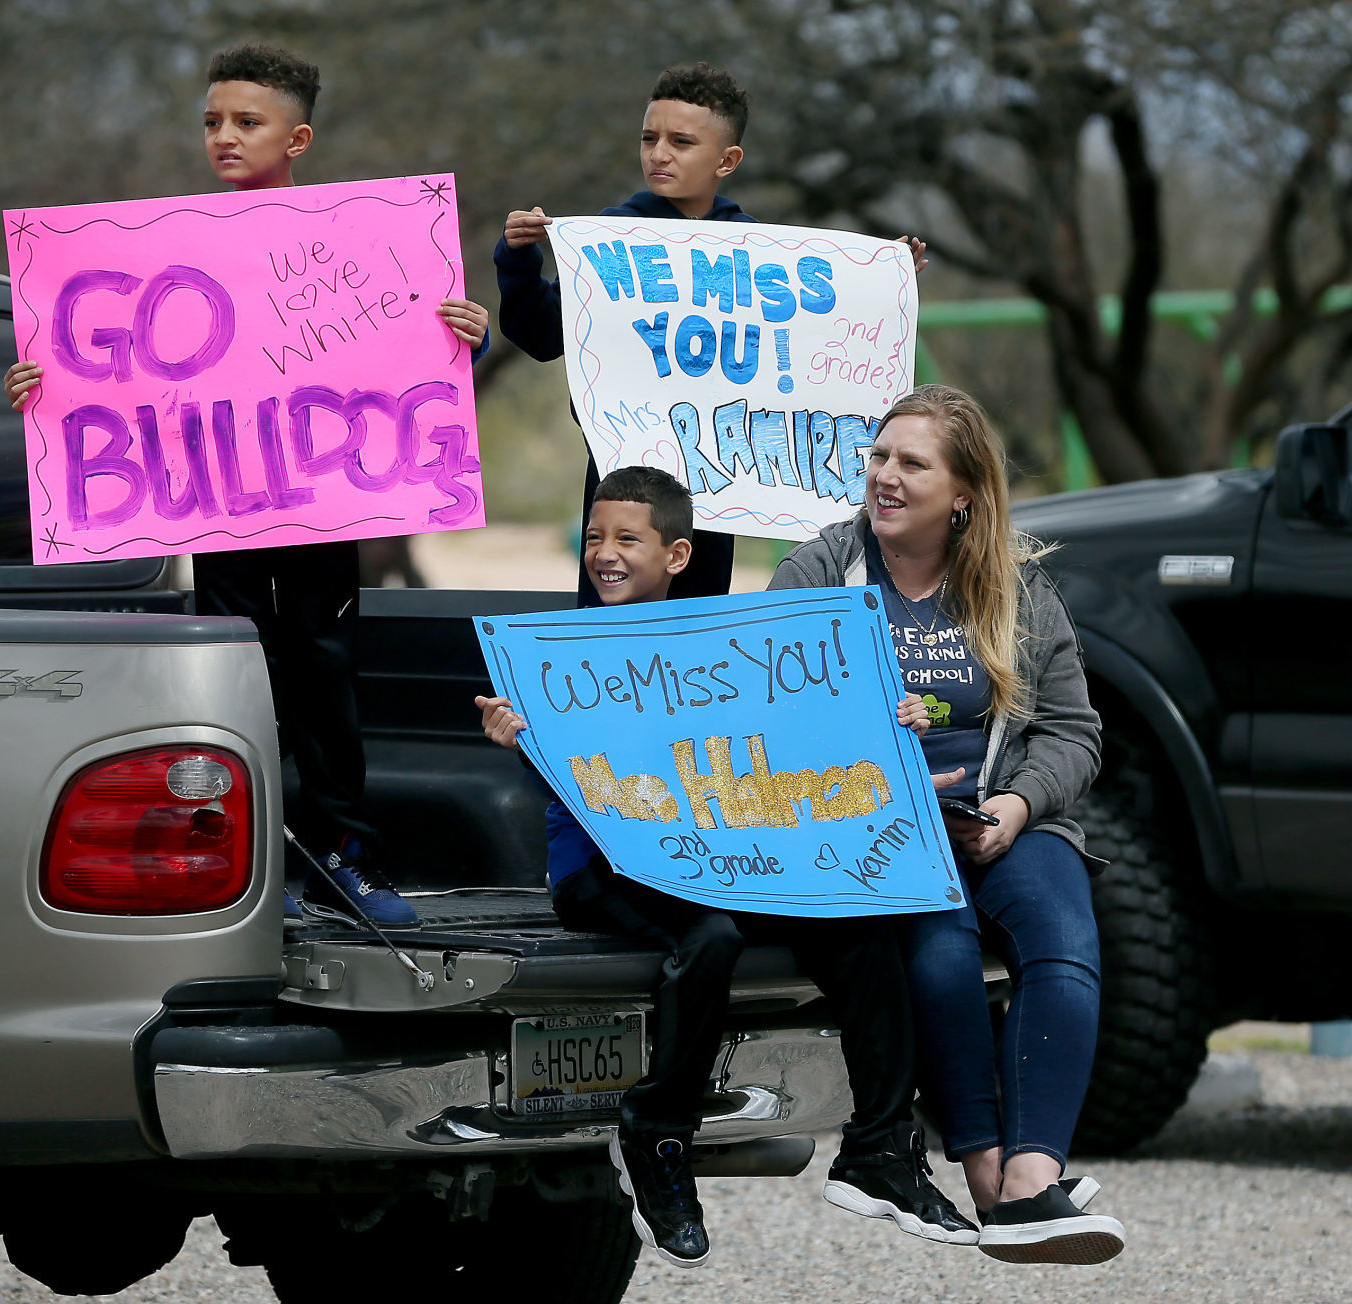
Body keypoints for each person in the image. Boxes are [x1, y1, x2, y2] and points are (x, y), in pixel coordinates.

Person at [3, 43, 490, 928]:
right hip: (215, 506)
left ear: (295, 137)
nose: (223, 137)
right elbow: (118, 370)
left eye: (246, 122)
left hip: (316, 503)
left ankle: (345, 862)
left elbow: (400, 352)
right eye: (212, 122)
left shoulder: (360, 237)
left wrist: (465, 335)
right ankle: (245, 861)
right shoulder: (168, 241)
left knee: (322, 669)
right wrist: (44, 387)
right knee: (234, 673)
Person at [475, 466, 975, 1269]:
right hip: (604, 870)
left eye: (625, 540)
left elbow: (808, 731)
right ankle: (657, 1137)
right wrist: (521, 739)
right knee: (708, 938)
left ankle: (880, 1147)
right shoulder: (559, 658)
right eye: (595, 539)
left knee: (861, 932)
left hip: (724, 855)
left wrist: (894, 712)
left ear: (676, 556)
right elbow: (580, 782)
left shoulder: (720, 647)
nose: (604, 555)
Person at [768, 384, 1126, 1264]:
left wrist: (1014, 806)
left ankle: (1033, 1179)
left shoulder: (1016, 588)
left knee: (1063, 934)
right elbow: (767, 707)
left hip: (998, 816)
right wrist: (861, 735)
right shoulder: (820, 570)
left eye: (910, 463)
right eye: (879, 457)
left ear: (963, 492)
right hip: (878, 828)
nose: (884, 476)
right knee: (939, 949)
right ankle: (984, 1171)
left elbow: (1074, 732)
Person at [494, 61, 926, 608]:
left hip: (717, 484)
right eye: (649, 138)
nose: (660, 154)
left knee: (699, 625)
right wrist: (516, 259)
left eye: (681, 141)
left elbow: (819, 339)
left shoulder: (756, 250)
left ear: (728, 160)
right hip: (623, 487)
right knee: (609, 624)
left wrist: (884, 275)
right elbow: (539, 336)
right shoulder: (610, 238)